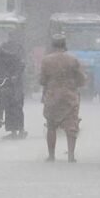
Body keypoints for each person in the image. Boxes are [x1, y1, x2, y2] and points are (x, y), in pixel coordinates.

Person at [40, 34, 85, 163]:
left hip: (52, 95)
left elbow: (42, 80)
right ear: (65, 45)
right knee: (71, 126)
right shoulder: (73, 59)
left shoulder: (46, 60)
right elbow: (81, 78)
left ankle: (51, 155)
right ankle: (71, 156)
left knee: (51, 125)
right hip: (70, 96)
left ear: (53, 45)